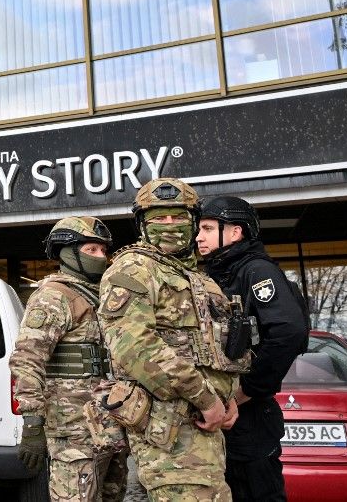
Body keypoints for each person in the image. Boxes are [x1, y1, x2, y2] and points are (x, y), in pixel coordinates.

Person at [98, 178, 249, 502]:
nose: (169, 225)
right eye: (159, 218)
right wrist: (207, 399)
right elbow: (134, 346)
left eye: (178, 217)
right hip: (168, 428)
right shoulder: (134, 269)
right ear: (142, 224)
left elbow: (212, 349)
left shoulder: (199, 280)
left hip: (205, 428)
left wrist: (228, 395)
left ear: (193, 220)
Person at [197, 196, 309, 502]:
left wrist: (243, 393)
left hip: (249, 424)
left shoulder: (256, 271)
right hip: (220, 425)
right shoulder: (213, 275)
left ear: (235, 232)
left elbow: (289, 331)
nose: (198, 236)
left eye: (207, 228)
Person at [9, 216, 129, 502]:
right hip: (73, 429)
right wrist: (33, 423)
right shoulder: (53, 297)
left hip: (111, 424)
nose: (101, 257)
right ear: (67, 252)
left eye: (103, 250)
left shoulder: (102, 296)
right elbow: (27, 360)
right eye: (91, 250)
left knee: (114, 495)